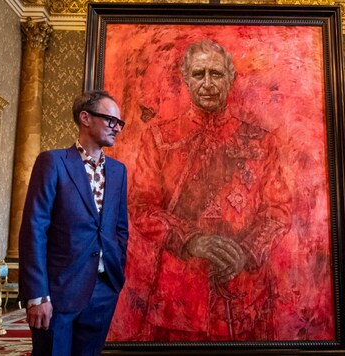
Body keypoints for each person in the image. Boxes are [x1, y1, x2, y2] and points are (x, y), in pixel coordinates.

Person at [115, 39, 291, 341]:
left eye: (216, 74)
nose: (207, 83)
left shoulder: (262, 141)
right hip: (180, 292)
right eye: (199, 74)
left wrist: (246, 252)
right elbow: (141, 207)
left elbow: (279, 209)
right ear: (186, 79)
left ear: (231, 78)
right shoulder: (159, 138)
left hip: (246, 293)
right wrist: (191, 241)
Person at [18, 90, 129, 355]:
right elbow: (34, 229)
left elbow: (119, 228)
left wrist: (115, 274)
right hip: (58, 293)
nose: (117, 128)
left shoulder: (118, 171)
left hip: (103, 290)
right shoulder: (53, 162)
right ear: (85, 118)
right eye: (111, 120)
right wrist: (37, 294)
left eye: (119, 123)